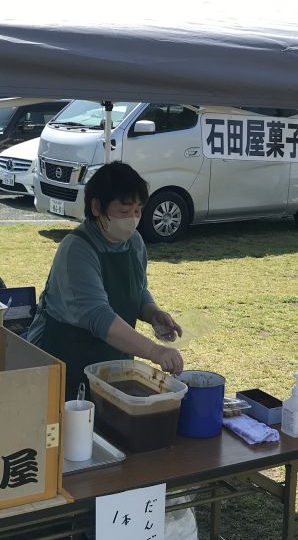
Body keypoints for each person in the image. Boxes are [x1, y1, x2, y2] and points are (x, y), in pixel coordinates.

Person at [28, 162, 184, 400]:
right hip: (64, 360)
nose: (132, 220)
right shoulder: (76, 249)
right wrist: (154, 351)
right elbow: (98, 316)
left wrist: (153, 313)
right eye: (123, 212)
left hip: (112, 359)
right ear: (97, 207)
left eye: (138, 211)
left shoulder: (134, 242)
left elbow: (138, 290)